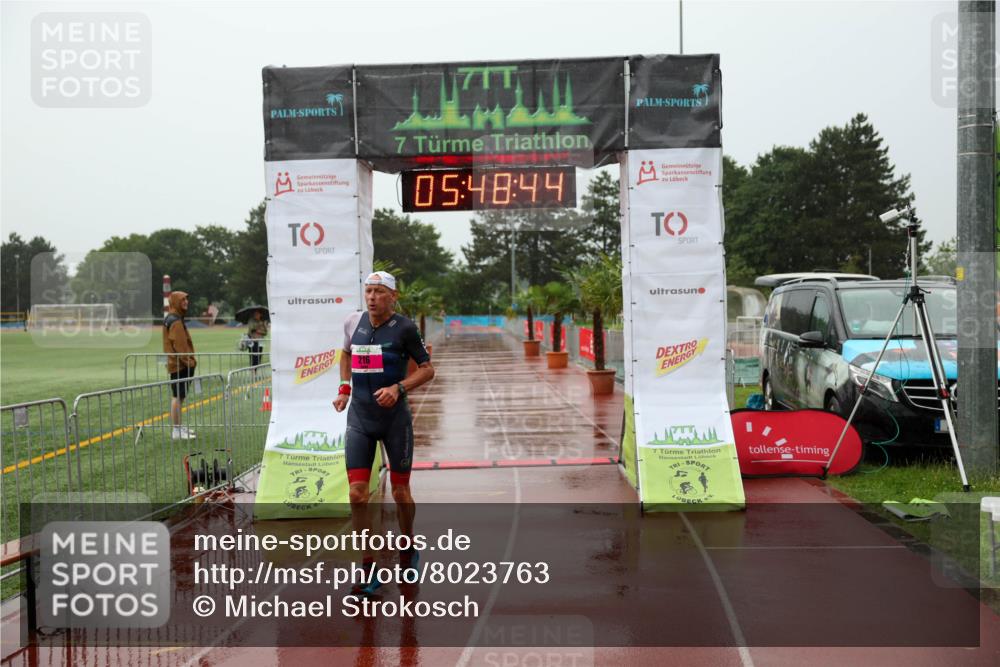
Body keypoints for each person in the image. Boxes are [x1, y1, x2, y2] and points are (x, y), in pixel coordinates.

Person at [333, 271, 434, 594]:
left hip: (394, 421)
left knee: (401, 493)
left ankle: (407, 545)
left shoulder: (404, 328)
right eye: (368, 291)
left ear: (393, 295)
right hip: (360, 418)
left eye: (378, 291)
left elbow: (428, 369)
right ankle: (368, 565)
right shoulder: (353, 322)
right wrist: (345, 388)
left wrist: (398, 388)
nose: (372, 297)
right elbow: (346, 353)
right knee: (356, 494)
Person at [163, 291, 197, 440]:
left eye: (187, 300)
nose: (186, 302)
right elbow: (180, 345)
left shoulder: (174, 318)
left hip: (178, 363)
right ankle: (176, 430)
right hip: (179, 365)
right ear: (176, 301)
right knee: (177, 396)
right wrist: (189, 361)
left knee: (179, 396)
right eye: (183, 300)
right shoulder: (175, 321)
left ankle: (178, 426)